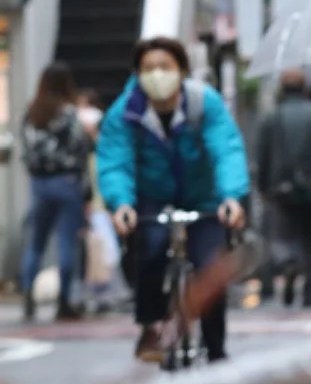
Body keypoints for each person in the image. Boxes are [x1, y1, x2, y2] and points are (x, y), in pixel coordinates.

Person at [96, 37, 249, 362]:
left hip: (205, 198)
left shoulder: (204, 102)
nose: (157, 74)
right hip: (152, 199)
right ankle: (152, 325)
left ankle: (216, 346)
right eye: (148, 68)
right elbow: (115, 161)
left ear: (181, 71)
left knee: (210, 266)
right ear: (136, 74)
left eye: (165, 67)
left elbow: (226, 149)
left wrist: (231, 197)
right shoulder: (124, 113)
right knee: (149, 251)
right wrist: (121, 203)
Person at [256, 69, 311, 308]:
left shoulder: (272, 118)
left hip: (282, 189)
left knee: (283, 236)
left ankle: (290, 264)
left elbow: (262, 155)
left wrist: (263, 186)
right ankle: (310, 285)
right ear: (305, 88)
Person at [19, 63, 91, 323]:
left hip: (39, 183)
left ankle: (28, 292)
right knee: (66, 242)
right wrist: (87, 191)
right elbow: (80, 148)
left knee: (36, 242)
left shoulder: (32, 112)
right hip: (66, 181)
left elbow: (25, 150)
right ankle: (64, 300)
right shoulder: (69, 113)